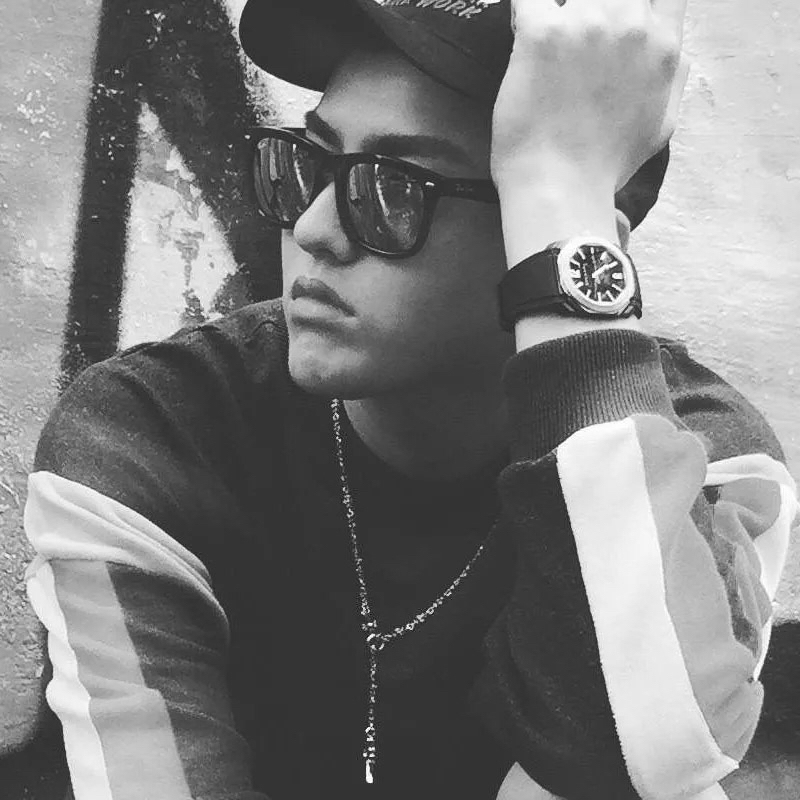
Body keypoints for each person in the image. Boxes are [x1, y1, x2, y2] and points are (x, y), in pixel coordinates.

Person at [23, 0, 798, 798]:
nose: (314, 229)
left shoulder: (703, 461)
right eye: (308, 163)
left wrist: (564, 201)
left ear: (550, 232)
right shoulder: (150, 436)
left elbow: (648, 751)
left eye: (393, 189)